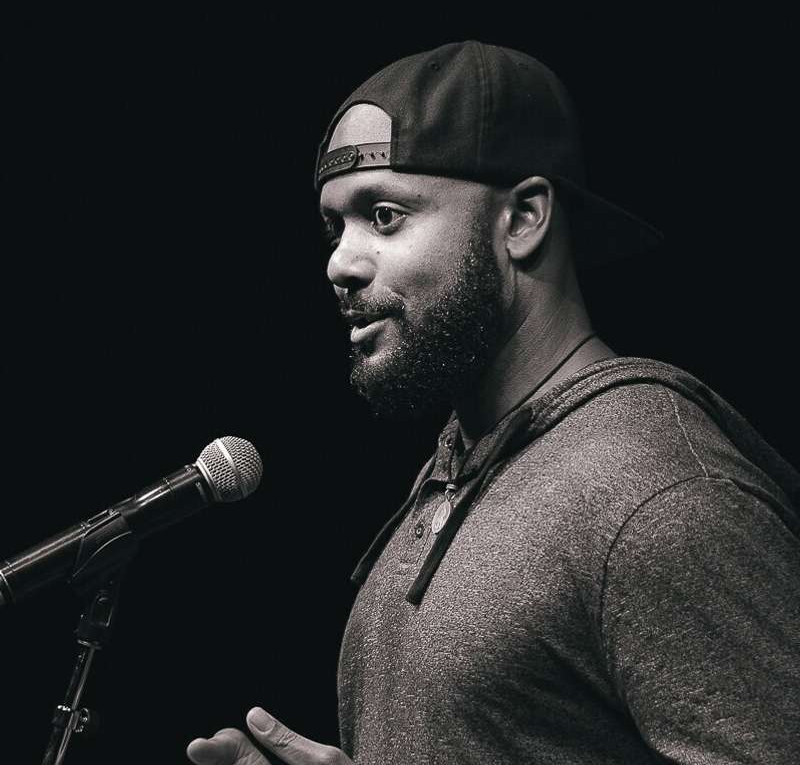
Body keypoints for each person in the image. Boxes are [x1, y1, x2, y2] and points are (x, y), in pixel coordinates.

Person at [186, 41, 800, 765]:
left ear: (523, 219)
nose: (339, 263)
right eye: (334, 227)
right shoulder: (463, 468)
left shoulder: (659, 496)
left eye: (384, 215)